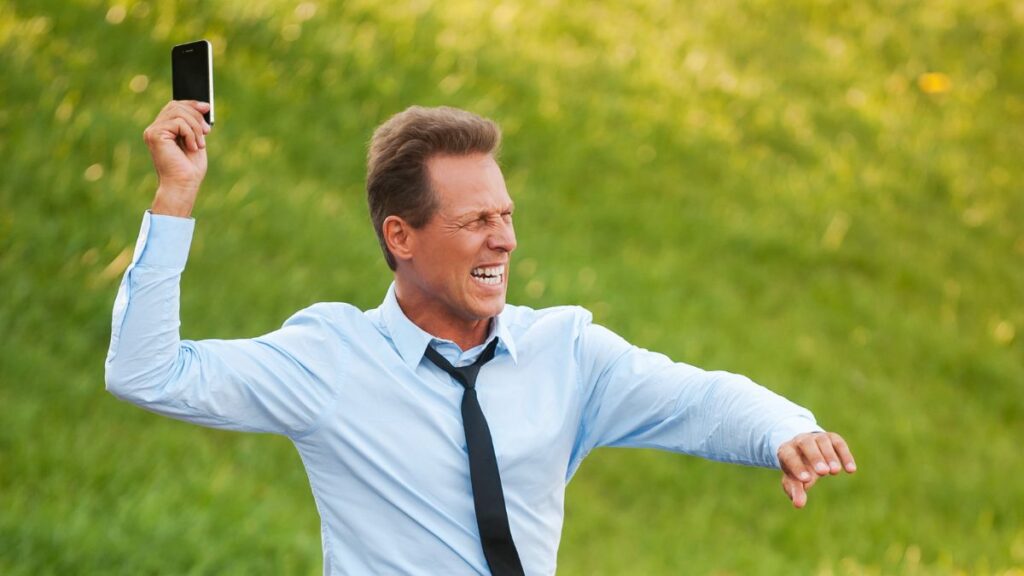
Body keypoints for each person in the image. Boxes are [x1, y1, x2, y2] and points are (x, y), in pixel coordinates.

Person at [105, 100, 856, 575]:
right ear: (400, 235)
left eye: (506, 215)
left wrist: (784, 430)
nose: (503, 242)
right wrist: (176, 197)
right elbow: (148, 375)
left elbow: (694, 396)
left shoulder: (565, 351)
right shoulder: (329, 359)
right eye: (474, 222)